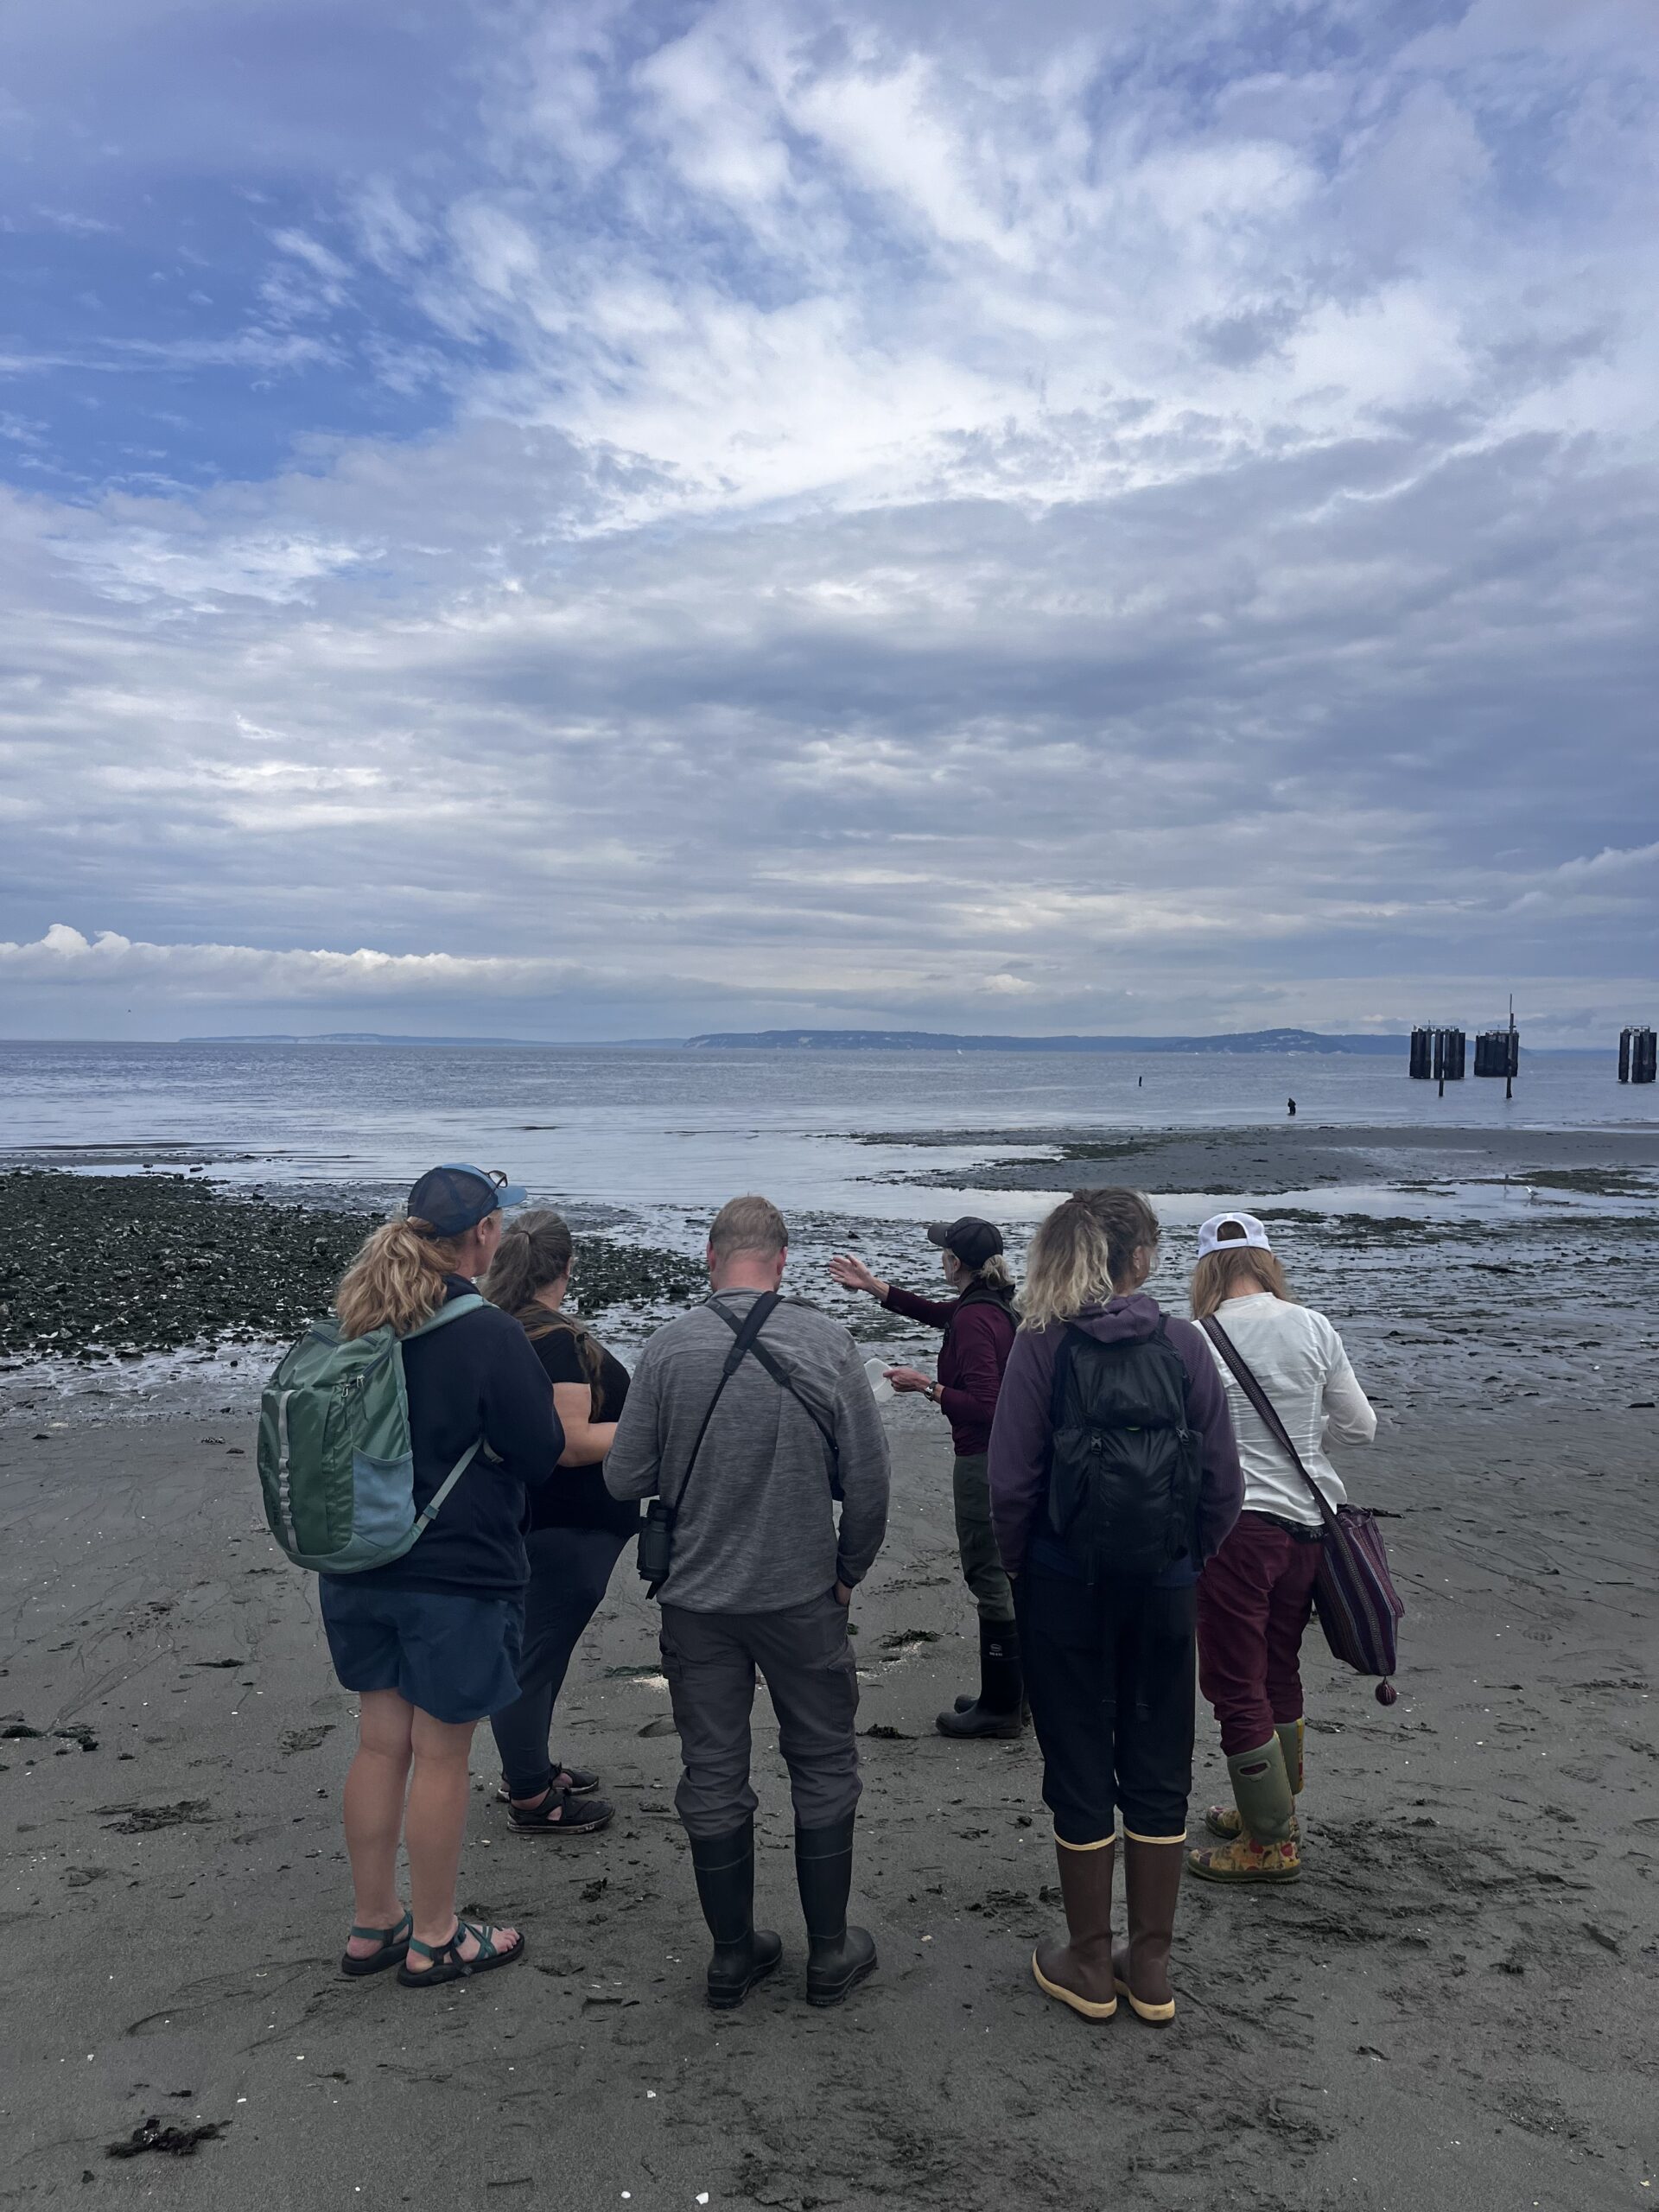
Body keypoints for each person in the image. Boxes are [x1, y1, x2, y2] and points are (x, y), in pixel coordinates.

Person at [605, 1195, 891, 2012]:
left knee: (714, 1770)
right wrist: (850, 1570)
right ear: (783, 1261)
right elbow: (868, 1485)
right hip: (803, 1595)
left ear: (709, 1257)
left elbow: (624, 1478)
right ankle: (829, 1951)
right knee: (825, 1761)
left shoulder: (667, 1348)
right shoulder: (827, 1343)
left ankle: (733, 1957)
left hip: (697, 1604)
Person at [988, 1188, 1242, 2025]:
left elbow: (1011, 1484)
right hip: (1165, 1590)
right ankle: (1154, 1964)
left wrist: (1026, 1576)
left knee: (1080, 1759)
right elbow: (1223, 1486)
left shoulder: (1039, 1346)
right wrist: (1185, 1561)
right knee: (1160, 1759)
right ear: (1142, 1260)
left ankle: (1091, 1960)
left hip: (1064, 1586)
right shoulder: (1185, 1345)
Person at [322, 1164, 563, 1987]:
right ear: (486, 1235)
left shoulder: (358, 1317)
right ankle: (435, 1936)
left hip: (357, 1563)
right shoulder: (489, 1331)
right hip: (454, 1571)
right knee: (442, 1756)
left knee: (378, 1741)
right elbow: (539, 1452)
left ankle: (372, 1923)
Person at [1185, 1212, 1376, 1885]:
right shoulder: (1314, 1324)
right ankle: (1269, 1811)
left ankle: (1269, 1845)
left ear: (1206, 1268)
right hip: (1309, 1525)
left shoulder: (1197, 1337)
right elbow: (1361, 1427)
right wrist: (1302, 1427)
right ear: (1266, 1262)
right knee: (1278, 1669)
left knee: (1234, 1682)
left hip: (1237, 1528)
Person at [829, 1218, 1021, 1737]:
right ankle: (1013, 1696)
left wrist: (927, 1387)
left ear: (955, 1263)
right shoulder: (990, 1303)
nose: (940, 1258)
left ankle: (1002, 1709)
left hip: (983, 1462)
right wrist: (875, 1288)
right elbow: (940, 1314)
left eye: (944, 1252)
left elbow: (988, 1404)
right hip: (1011, 1461)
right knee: (1008, 1575)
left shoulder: (977, 1320)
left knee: (989, 1577)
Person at [480, 1211, 636, 1837]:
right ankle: (530, 1796)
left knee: (539, 1653)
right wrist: (650, 1430)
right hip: (568, 1526)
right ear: (567, 1266)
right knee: (533, 1659)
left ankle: (531, 1767)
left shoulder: (500, 1328)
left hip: (535, 1520)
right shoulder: (552, 1339)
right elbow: (570, 1443)